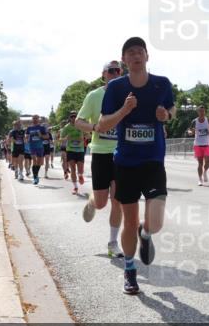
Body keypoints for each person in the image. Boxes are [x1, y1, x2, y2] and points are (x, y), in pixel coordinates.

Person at [98, 37, 174, 295]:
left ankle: (146, 233)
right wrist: (124, 110)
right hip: (126, 163)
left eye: (140, 51)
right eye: (130, 53)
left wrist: (167, 116)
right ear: (124, 60)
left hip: (153, 161)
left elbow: (171, 112)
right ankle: (130, 270)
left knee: (156, 221)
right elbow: (102, 125)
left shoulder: (161, 84)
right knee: (129, 221)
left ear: (147, 56)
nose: (136, 55)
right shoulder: (116, 88)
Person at [76, 60, 124, 257]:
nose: (115, 73)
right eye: (111, 71)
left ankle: (113, 243)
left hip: (122, 153)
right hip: (101, 152)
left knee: (118, 200)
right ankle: (93, 201)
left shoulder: (127, 94)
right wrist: (95, 127)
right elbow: (79, 121)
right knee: (103, 202)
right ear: (103, 74)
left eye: (118, 71)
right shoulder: (94, 96)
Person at [60, 111, 87, 195]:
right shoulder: (66, 127)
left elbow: (89, 135)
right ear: (69, 118)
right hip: (70, 150)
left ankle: (80, 175)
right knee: (72, 169)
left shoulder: (82, 125)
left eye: (75, 116)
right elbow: (60, 139)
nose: (73, 118)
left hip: (80, 150)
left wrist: (84, 137)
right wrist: (66, 138)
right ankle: (75, 187)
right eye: (71, 116)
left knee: (80, 169)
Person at [187, 105, 209, 185]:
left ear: (205, 112)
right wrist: (191, 132)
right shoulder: (194, 121)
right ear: (198, 112)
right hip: (198, 145)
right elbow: (189, 130)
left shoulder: (207, 120)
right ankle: (200, 179)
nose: (202, 113)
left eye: (203, 111)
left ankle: (205, 172)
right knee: (200, 163)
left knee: (207, 162)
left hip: (206, 144)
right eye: (200, 111)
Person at [26, 115, 48, 184]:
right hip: (32, 146)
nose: (35, 120)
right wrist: (27, 137)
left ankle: (36, 174)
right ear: (32, 120)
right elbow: (26, 136)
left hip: (40, 147)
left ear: (39, 120)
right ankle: (35, 177)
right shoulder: (29, 128)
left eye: (36, 118)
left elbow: (47, 136)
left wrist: (41, 135)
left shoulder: (42, 128)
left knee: (39, 162)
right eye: (34, 118)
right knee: (34, 160)